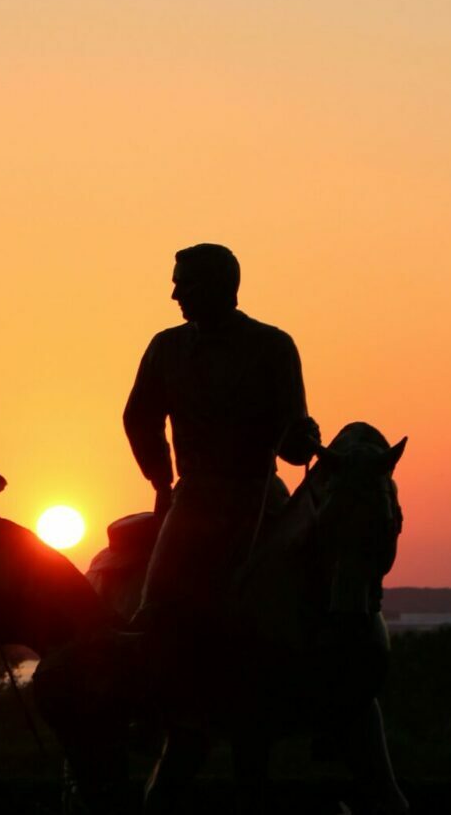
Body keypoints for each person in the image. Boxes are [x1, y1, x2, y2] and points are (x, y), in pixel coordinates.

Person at [122, 243, 318, 645]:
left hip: (260, 494)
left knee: (316, 587)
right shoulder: (167, 348)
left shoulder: (273, 346)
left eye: (185, 285)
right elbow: (139, 417)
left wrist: (302, 440)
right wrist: (162, 482)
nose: (175, 296)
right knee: (155, 606)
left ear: (219, 286)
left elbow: (292, 443)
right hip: (194, 500)